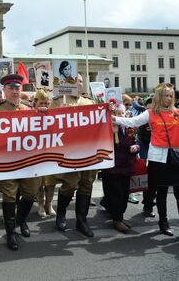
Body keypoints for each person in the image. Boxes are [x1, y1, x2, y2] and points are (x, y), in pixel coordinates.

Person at [113, 83, 179, 236]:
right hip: (159, 158)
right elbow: (133, 122)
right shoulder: (151, 113)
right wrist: (114, 118)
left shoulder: (177, 113)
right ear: (159, 97)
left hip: (176, 157)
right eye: (165, 95)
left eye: (171, 96)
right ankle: (163, 223)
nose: (168, 99)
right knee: (161, 192)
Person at [0, 74, 40, 251]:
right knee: (10, 195)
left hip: (28, 160)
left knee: (30, 192)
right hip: (6, 160)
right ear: (4, 90)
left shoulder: (28, 109)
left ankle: (21, 220)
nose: (14, 91)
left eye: (17, 88)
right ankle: (10, 231)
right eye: (10, 88)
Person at [49, 73, 97, 237]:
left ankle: (81, 220)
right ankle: (61, 214)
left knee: (87, 184)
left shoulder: (89, 102)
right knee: (70, 184)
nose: (79, 84)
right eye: (76, 81)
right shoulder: (57, 102)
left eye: (81, 81)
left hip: (88, 152)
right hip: (69, 152)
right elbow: (46, 125)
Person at [101, 104, 140, 233]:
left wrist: (136, 147)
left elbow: (135, 142)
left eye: (122, 113)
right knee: (116, 194)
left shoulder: (128, 127)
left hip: (126, 167)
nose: (119, 116)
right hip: (112, 168)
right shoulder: (107, 128)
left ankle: (119, 217)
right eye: (116, 113)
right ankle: (117, 220)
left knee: (124, 194)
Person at [32, 90, 56, 218]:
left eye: (47, 103)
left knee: (50, 181)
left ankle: (49, 204)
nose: (45, 105)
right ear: (35, 102)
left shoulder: (53, 115)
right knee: (39, 182)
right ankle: (40, 205)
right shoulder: (29, 115)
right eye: (42, 102)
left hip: (50, 153)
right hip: (35, 154)